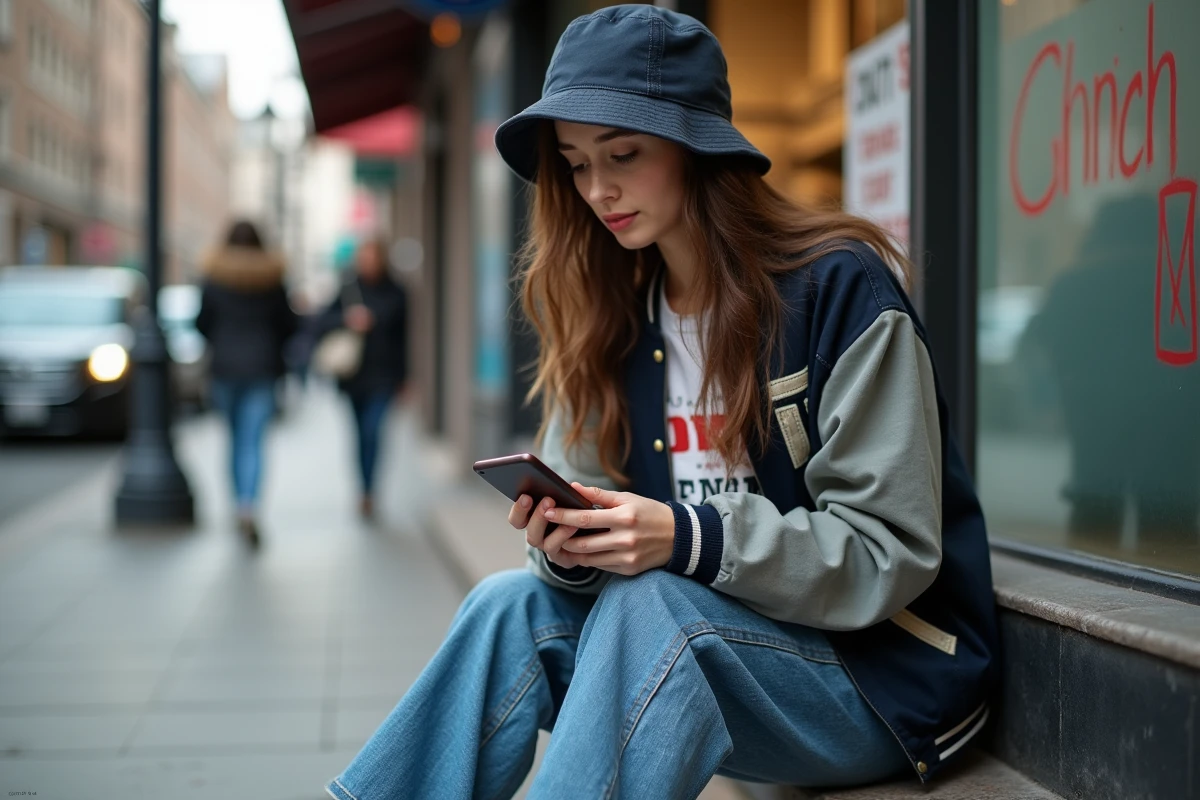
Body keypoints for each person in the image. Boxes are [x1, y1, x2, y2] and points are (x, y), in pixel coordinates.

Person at [326, 7, 998, 799]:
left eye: (624, 154)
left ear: (694, 145)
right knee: (509, 606)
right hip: (705, 654)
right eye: (575, 163)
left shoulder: (837, 289)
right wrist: (570, 545)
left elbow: (889, 550)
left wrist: (684, 537)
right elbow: (594, 523)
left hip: (877, 682)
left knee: (656, 605)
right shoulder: (614, 311)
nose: (598, 189)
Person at [196, 220, 297, 547]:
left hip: (225, 369)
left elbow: (201, 323)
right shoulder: (272, 279)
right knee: (253, 442)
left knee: (234, 439)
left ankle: (237, 505)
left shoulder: (214, 278)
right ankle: (248, 506)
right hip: (262, 368)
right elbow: (289, 324)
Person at [316, 236, 409, 519]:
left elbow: (404, 339)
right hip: (353, 377)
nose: (368, 262)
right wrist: (349, 318)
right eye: (364, 257)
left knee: (373, 432)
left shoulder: (397, 292)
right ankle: (364, 488)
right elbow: (321, 321)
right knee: (359, 435)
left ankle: (371, 488)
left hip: (384, 376)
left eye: (373, 257)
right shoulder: (348, 288)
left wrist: (406, 377)